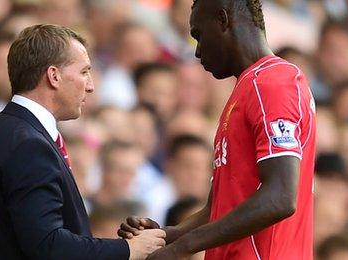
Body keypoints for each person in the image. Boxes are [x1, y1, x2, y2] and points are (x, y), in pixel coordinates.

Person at [119, 0, 317, 259]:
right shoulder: (246, 90)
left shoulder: (273, 84)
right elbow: (219, 207)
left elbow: (280, 197)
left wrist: (182, 248)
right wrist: (166, 236)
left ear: (223, 20)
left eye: (199, 36)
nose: (198, 51)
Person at [0, 24, 165, 260]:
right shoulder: (29, 146)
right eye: (84, 72)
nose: (91, 85)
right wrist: (129, 250)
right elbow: (48, 245)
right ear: (54, 76)